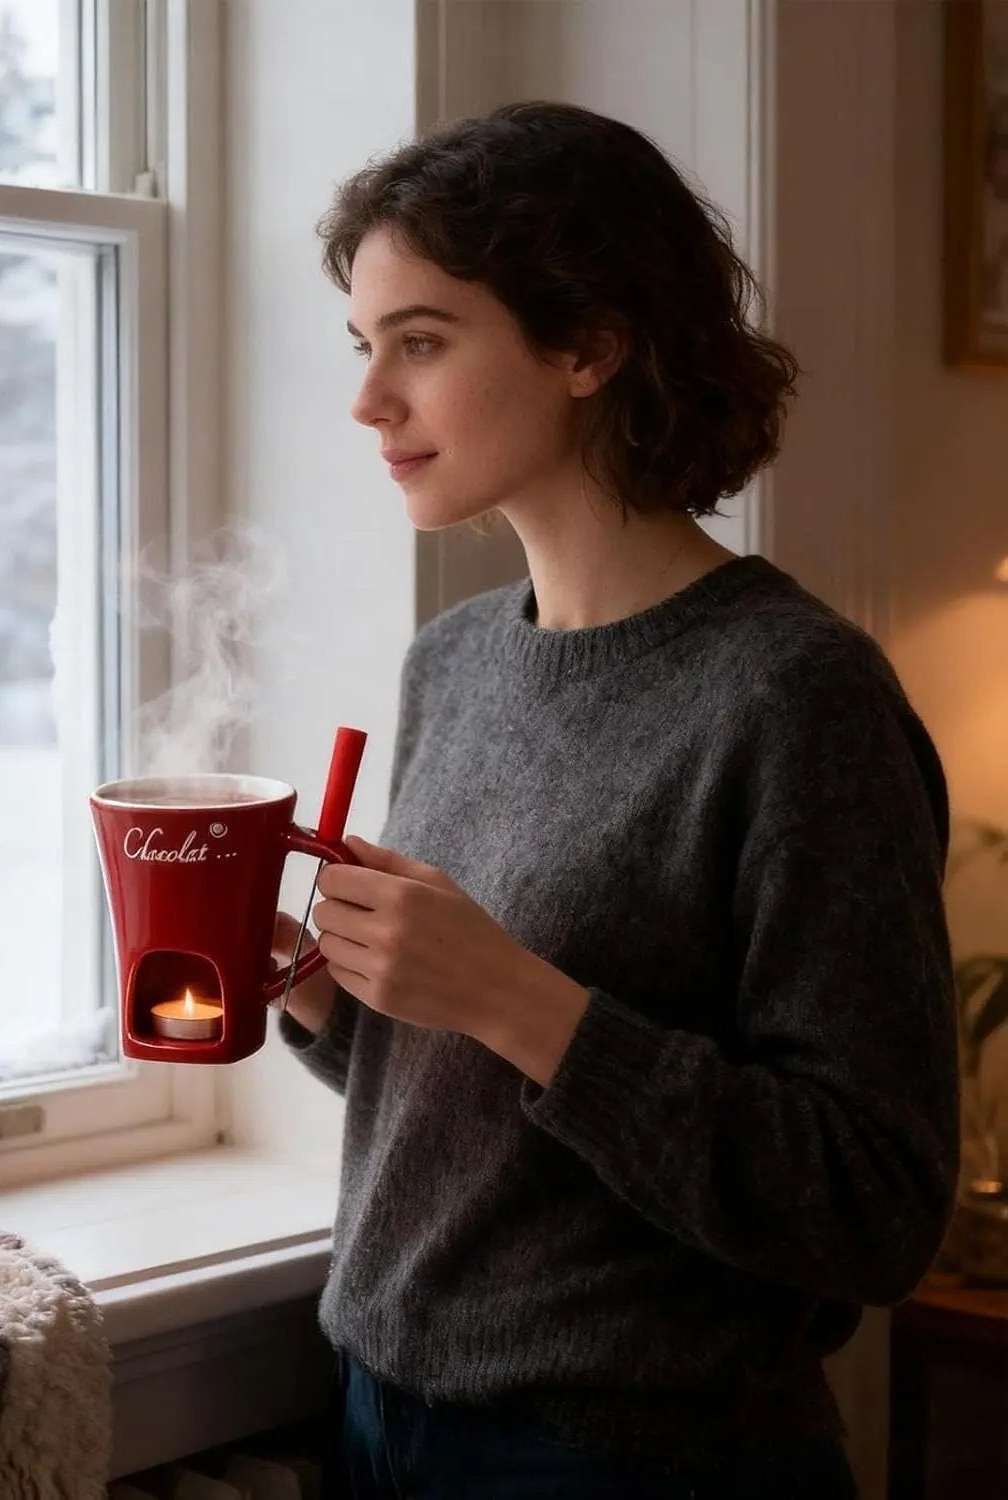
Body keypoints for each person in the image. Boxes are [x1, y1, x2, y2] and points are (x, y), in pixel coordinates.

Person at [272, 102, 959, 1500]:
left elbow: (874, 1206)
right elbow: (475, 1107)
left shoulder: (794, 698)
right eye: (365, 346)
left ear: (588, 342)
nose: (368, 403)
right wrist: (315, 992)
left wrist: (513, 995)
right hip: (376, 1419)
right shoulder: (456, 661)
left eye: (422, 340)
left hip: (636, 1462)